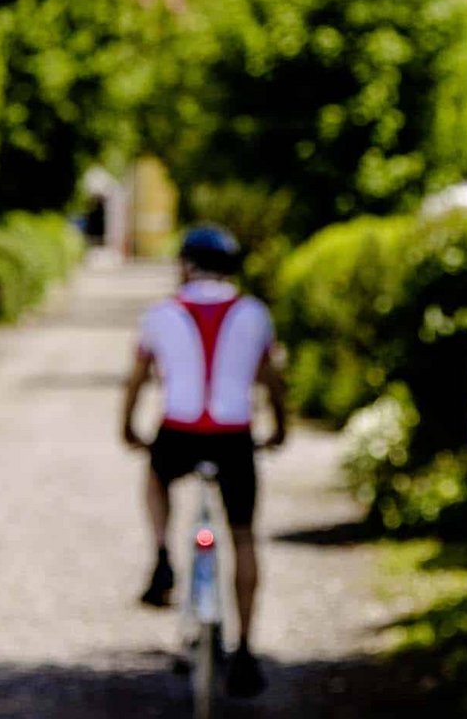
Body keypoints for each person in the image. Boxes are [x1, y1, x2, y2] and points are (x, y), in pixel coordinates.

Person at [120, 225, 289, 698]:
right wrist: (279, 429)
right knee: (242, 535)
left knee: (155, 477)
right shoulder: (254, 313)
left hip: (179, 434)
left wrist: (128, 428)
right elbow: (271, 380)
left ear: (185, 264)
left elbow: (136, 379)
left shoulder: (161, 313)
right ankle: (247, 647)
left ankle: (161, 556)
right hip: (235, 439)